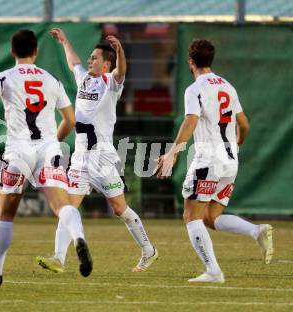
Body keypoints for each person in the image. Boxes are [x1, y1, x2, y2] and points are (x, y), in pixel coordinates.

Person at [0, 29, 92, 286]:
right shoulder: (51, 79)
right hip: (48, 149)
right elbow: (71, 119)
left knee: (6, 213)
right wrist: (53, 141)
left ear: (12, 52)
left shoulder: (4, 77)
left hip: (18, 151)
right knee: (62, 205)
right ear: (36, 51)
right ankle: (78, 238)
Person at [36, 28, 158, 274]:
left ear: (106, 64)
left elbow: (122, 72)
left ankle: (149, 250)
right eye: (90, 57)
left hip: (102, 157)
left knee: (119, 209)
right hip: (80, 156)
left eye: (95, 58)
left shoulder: (110, 83)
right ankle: (59, 258)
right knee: (68, 207)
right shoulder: (85, 79)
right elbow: (74, 63)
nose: (89, 60)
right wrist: (65, 40)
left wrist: (121, 51)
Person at [155, 39, 273, 283]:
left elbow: (190, 120)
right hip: (229, 162)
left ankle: (213, 272)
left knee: (191, 217)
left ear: (190, 61)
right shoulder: (228, 87)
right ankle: (255, 230)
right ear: (211, 59)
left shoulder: (195, 88)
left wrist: (172, 152)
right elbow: (245, 124)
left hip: (208, 160)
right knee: (210, 217)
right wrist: (236, 143)